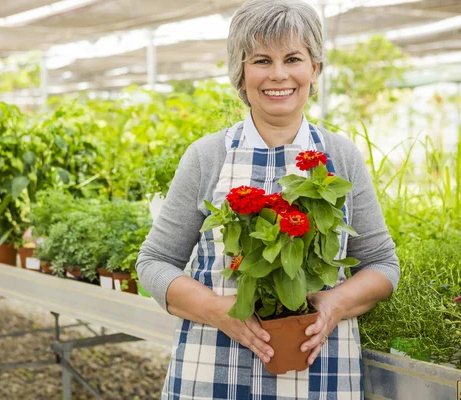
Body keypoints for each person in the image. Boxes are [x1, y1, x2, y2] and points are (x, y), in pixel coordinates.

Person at [136, 0, 400, 398]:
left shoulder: (340, 157)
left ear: (314, 69)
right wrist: (218, 310)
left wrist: (335, 304)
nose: (278, 74)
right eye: (261, 60)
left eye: (293, 58)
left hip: (319, 374)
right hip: (213, 373)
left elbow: (382, 264)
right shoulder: (207, 156)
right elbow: (154, 262)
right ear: (240, 75)